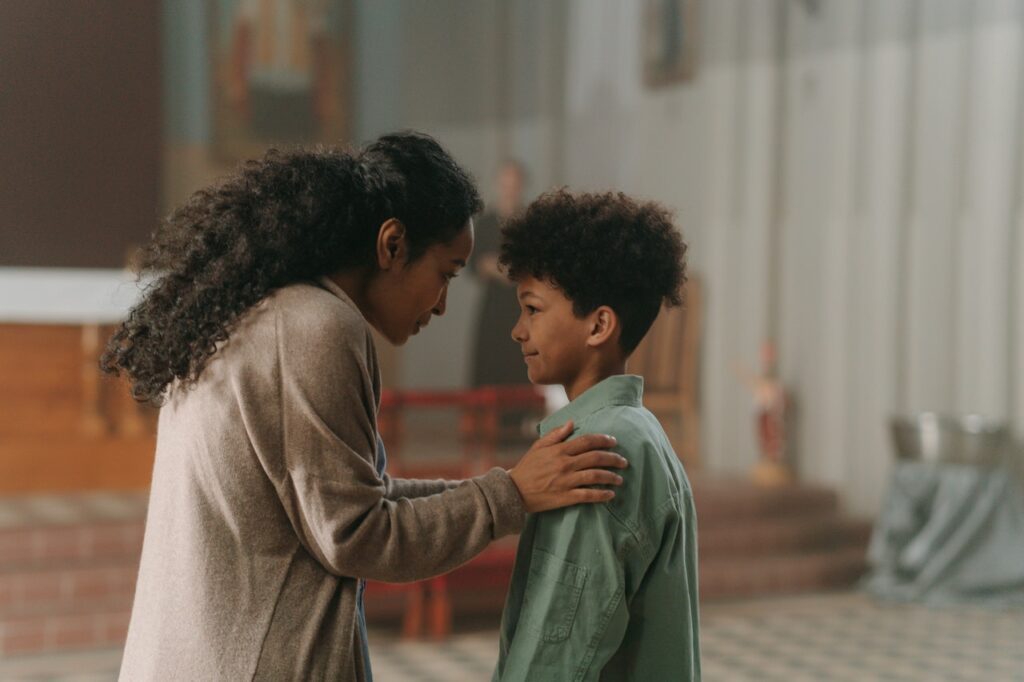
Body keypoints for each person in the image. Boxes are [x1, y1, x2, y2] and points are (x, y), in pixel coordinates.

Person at [100, 132, 627, 681]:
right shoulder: (317, 327)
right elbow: (358, 535)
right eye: (445, 274)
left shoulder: (257, 310)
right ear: (392, 244)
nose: (444, 304)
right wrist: (509, 497)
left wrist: (511, 485)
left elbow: (352, 500)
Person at [492, 190, 700, 681]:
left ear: (599, 325)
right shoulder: (638, 429)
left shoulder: (594, 454)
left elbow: (555, 657)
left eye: (533, 309)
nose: (518, 331)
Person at [470, 159, 529, 388]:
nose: (510, 189)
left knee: (519, 361)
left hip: (521, 303)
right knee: (491, 361)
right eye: (506, 183)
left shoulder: (528, 219)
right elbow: (475, 263)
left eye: (514, 183)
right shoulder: (485, 223)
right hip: (493, 304)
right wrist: (495, 268)